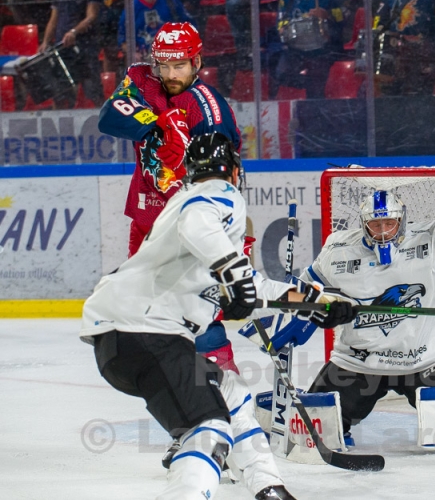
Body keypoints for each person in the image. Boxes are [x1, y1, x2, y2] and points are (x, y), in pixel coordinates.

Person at [80, 132, 355, 500]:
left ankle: (268, 487)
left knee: (232, 394)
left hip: (126, 341)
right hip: (146, 333)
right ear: (235, 171)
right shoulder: (217, 193)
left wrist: (317, 301)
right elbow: (202, 228)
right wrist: (234, 276)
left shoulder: (190, 216)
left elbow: (254, 286)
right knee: (208, 430)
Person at [97, 21, 247, 463]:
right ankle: (188, 425)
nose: (169, 73)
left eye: (179, 65)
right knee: (151, 326)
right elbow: (109, 118)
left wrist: (229, 236)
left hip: (187, 226)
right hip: (147, 222)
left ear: (197, 62)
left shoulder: (208, 108)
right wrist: (156, 125)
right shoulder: (141, 78)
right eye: (164, 64)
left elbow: (226, 177)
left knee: (197, 321)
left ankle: (229, 417)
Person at [300, 137, 435, 443]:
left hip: (425, 360)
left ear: (402, 221)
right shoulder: (338, 249)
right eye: (376, 225)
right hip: (358, 362)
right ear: (364, 225)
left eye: (390, 224)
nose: (383, 232)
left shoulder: (428, 239)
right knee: (313, 431)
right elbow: (303, 291)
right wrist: (319, 307)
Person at [275, 0, 348, 98]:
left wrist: (327, 14)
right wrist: (283, 28)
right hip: (295, 46)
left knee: (318, 80)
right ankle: (306, 89)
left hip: (324, 46)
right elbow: (281, 18)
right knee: (281, 73)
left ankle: (315, 101)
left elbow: (346, 12)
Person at [37, 0, 104, 107]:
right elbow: (54, 18)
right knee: (61, 92)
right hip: (62, 47)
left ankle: (103, 116)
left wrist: (74, 31)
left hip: (85, 47)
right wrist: (45, 42)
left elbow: (91, 16)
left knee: (92, 89)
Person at [117, 0, 195, 64]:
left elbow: (189, 26)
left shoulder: (170, 1)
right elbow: (123, 39)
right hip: (145, 61)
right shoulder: (131, 9)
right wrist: (133, 54)